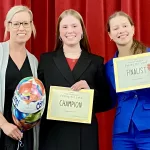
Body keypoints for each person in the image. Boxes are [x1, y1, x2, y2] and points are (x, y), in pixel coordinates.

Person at [38, 9, 112, 150]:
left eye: (74, 26)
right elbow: (39, 97)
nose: (70, 30)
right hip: (54, 135)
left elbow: (106, 101)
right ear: (59, 34)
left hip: (84, 137)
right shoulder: (46, 61)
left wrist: (90, 92)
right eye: (64, 27)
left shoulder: (96, 62)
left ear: (82, 31)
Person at [105, 11, 150, 150]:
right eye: (116, 28)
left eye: (125, 26)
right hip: (122, 132)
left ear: (133, 29)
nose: (121, 31)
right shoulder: (108, 67)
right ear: (110, 35)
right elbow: (110, 100)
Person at [0, 5, 39, 150]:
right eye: (16, 24)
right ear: (8, 26)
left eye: (26, 23)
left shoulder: (34, 62)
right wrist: (3, 124)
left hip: (24, 137)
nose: (21, 28)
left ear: (31, 26)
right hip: (3, 132)